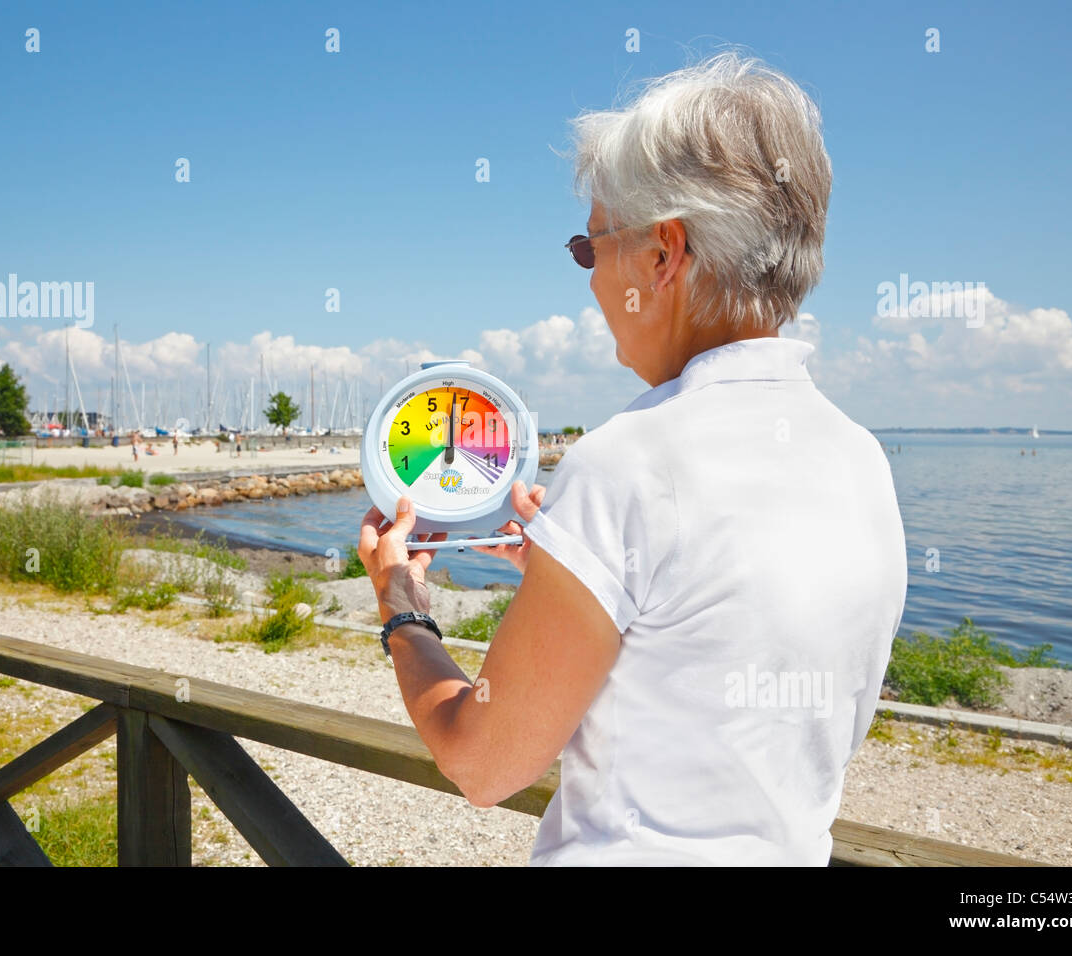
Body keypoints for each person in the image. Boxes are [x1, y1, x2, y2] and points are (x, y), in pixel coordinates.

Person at [358, 52, 906, 866]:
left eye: (590, 247)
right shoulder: (861, 462)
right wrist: (581, 580)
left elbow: (482, 762)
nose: (589, 283)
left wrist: (402, 607)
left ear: (663, 256)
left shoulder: (629, 460)